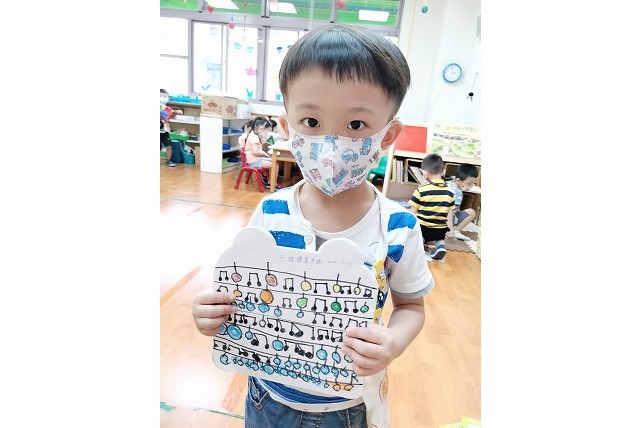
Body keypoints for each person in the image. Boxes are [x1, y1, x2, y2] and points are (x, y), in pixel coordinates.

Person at [192, 24, 433, 428]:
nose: (330, 145)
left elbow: (411, 306)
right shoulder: (270, 212)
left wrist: (393, 342)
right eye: (310, 121)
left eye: (355, 125)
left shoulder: (398, 227)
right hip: (267, 397)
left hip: (348, 406)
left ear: (387, 135)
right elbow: (238, 288)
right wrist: (212, 311)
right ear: (287, 128)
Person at [408, 153, 455, 263]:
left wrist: (408, 230)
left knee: (418, 236)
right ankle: (440, 245)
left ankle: (419, 244)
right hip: (439, 230)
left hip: (423, 228)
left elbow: (412, 213)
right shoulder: (450, 192)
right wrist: (451, 230)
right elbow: (449, 215)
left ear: (424, 173)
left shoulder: (421, 190)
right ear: (443, 172)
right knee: (439, 239)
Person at [444, 163, 478, 241]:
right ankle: (455, 231)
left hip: (437, 217)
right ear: (458, 181)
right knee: (472, 212)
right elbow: (450, 212)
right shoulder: (457, 193)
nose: (471, 186)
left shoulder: (448, 184)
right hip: (445, 219)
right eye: (469, 184)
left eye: (473, 184)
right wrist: (450, 229)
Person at [243, 116, 276, 188]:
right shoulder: (254, 137)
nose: (266, 134)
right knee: (275, 164)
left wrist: (263, 140)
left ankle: (270, 181)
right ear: (261, 129)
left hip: (255, 159)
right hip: (253, 161)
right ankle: (272, 184)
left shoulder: (254, 134)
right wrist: (264, 154)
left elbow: (259, 148)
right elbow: (255, 152)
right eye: (266, 132)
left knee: (274, 161)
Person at [160, 89, 182, 167]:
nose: (162, 98)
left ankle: (168, 160)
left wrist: (175, 112)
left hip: (164, 131)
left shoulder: (166, 108)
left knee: (168, 146)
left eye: (164, 96)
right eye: (160, 96)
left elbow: (170, 114)